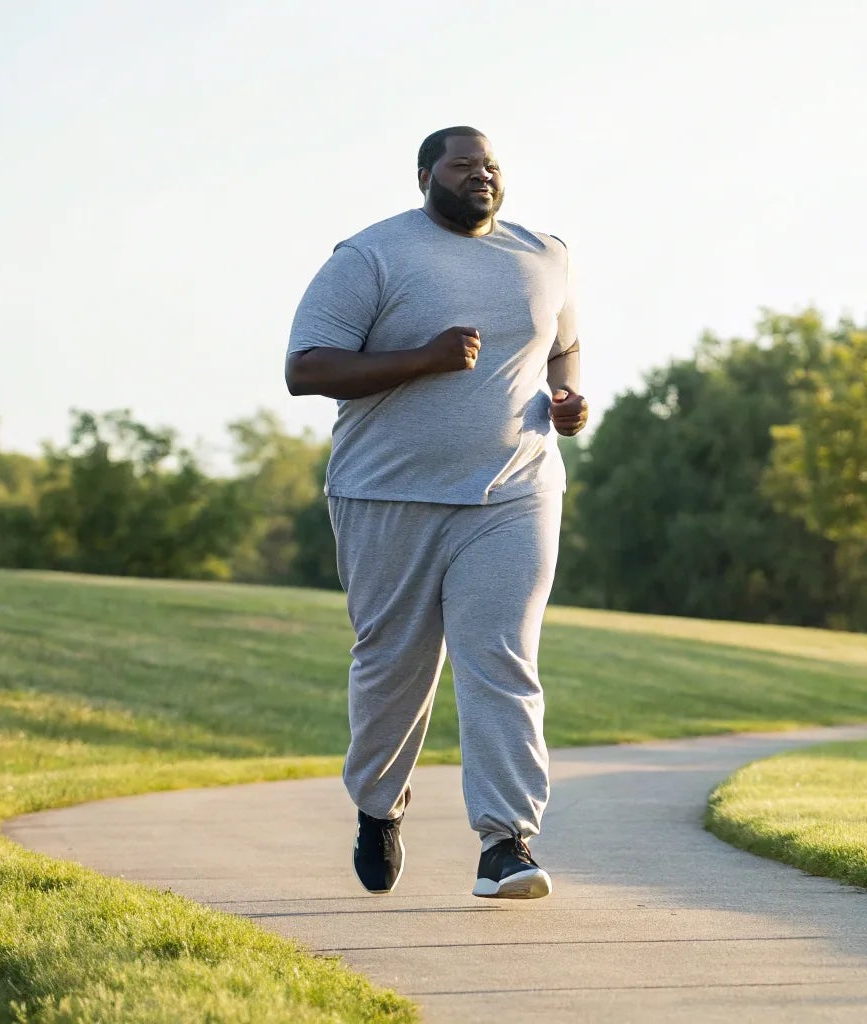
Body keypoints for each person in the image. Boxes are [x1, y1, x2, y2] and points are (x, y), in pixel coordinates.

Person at [284, 125, 587, 900]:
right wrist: (423, 357)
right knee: (395, 667)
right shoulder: (371, 256)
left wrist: (570, 401)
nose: (481, 175)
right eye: (463, 165)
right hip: (387, 493)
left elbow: (564, 346)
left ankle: (506, 842)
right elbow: (306, 368)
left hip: (515, 489)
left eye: (491, 165)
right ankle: (379, 808)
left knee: (502, 660)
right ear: (425, 176)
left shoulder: (545, 254)